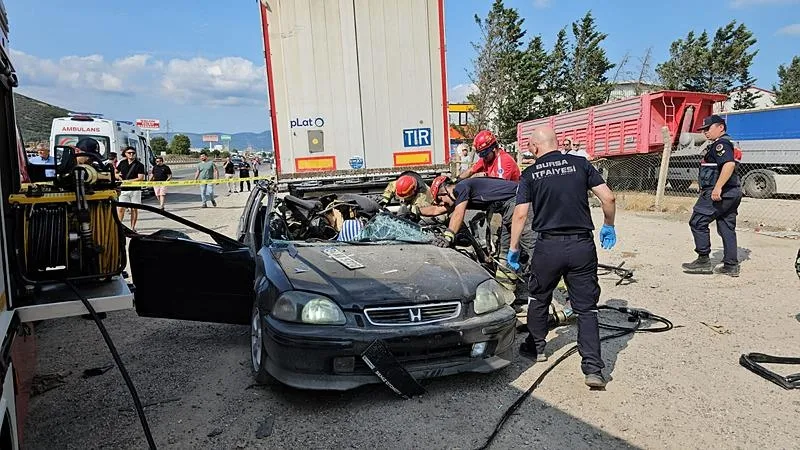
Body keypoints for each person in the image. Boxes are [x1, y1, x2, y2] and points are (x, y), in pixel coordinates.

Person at [507, 126, 617, 389]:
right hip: (581, 245)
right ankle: (593, 369)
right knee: (586, 308)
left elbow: (520, 215)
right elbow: (608, 197)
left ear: (534, 147)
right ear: (557, 143)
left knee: (539, 295)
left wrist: (513, 248)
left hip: (548, 246)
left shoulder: (531, 174)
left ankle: (537, 348)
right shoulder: (580, 164)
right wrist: (609, 225)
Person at [419, 175, 535, 293]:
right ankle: (508, 293)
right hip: (507, 207)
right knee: (505, 251)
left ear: (443, 192)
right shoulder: (459, 194)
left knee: (531, 245)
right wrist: (415, 211)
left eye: (439, 200)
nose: (441, 204)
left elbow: (459, 213)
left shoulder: (461, 188)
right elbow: (436, 210)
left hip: (519, 202)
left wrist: (449, 235)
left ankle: (544, 285)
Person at [682, 114, 742, 277]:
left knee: (698, 221)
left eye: (708, 129)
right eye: (704, 130)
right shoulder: (729, 142)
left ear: (720, 127)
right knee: (726, 226)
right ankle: (731, 265)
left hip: (719, 192)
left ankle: (703, 261)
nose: (705, 133)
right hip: (733, 191)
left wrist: (718, 188)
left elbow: (728, 165)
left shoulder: (721, 144)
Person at [115, 146, 146, 231]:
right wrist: (117, 176)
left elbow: (141, 178)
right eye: (129, 153)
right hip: (124, 190)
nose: (131, 154)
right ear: (125, 154)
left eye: (133, 153)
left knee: (134, 209)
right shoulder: (122, 163)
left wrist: (129, 181)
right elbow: (115, 172)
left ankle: (132, 227)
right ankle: (119, 226)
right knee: (121, 208)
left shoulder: (139, 165)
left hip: (135, 190)